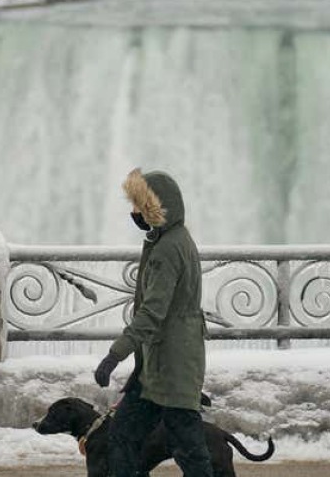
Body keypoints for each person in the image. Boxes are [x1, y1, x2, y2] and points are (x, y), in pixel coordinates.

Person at [94, 168, 213, 477]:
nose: (133, 212)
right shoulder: (171, 238)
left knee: (185, 445)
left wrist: (114, 355)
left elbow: (152, 313)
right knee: (128, 435)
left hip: (172, 366)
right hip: (163, 364)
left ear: (154, 209)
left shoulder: (167, 251)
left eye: (138, 206)